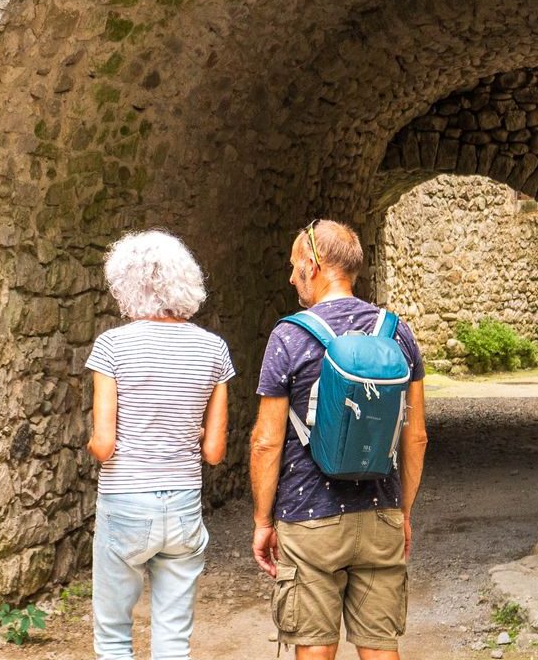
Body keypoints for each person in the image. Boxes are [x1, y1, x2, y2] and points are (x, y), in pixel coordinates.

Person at [250, 219, 428, 659]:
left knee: (313, 646)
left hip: (310, 518)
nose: (291, 277)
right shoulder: (397, 333)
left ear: (313, 265)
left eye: (295, 266)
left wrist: (262, 521)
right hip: (381, 509)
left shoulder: (289, 336)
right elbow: (417, 437)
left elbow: (266, 442)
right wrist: (401, 511)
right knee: (380, 646)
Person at [84, 229, 235, 660]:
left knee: (114, 636)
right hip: (184, 504)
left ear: (126, 285)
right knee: (173, 638)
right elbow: (214, 452)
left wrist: (92, 444)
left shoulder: (112, 346)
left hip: (126, 500)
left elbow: (105, 443)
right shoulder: (213, 350)